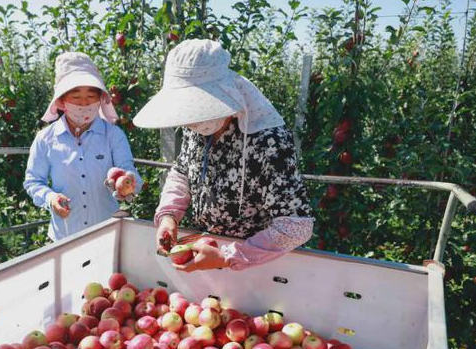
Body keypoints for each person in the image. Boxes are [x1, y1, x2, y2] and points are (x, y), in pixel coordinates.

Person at [133, 39, 314, 271]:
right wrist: (169, 215)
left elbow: (296, 225)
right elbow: (182, 172)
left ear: (226, 93)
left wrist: (228, 256)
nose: (190, 119)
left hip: (257, 266)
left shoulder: (267, 142)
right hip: (207, 251)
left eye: (199, 105)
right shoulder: (195, 128)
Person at [24, 52, 143, 242]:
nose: (84, 104)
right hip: (65, 235)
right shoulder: (45, 139)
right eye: (76, 97)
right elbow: (33, 182)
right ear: (62, 101)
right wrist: (50, 199)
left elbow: (129, 170)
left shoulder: (112, 135)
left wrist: (128, 182)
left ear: (101, 99)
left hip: (106, 233)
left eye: (91, 96)